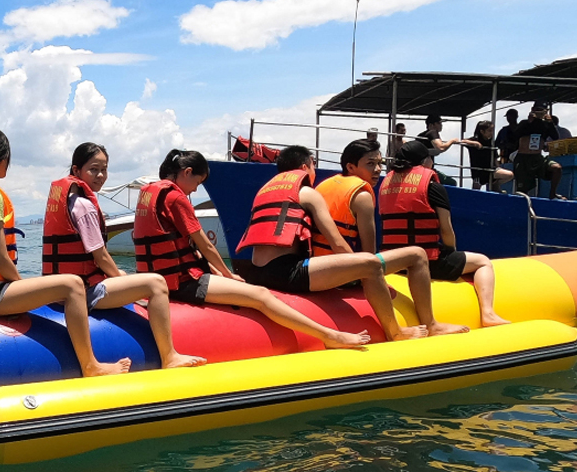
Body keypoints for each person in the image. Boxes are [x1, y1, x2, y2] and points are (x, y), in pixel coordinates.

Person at [133, 149, 370, 350]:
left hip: (159, 281)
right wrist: (228, 275)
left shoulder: (148, 193)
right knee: (261, 296)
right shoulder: (175, 198)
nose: (194, 191)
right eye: (197, 182)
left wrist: (213, 270)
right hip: (183, 283)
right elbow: (206, 244)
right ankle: (329, 335)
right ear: (187, 172)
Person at [0, 127, 131, 376]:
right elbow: (1, 259)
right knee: (72, 284)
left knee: (56, 284)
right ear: (1, 159)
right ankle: (91, 366)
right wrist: (24, 288)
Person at [235, 145, 426, 342]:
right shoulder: (307, 193)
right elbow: (337, 243)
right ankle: (395, 332)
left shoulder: (266, 190)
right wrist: (361, 271)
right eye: (313, 166)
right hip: (287, 272)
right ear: (305, 167)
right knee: (371, 264)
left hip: (256, 272)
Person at [43, 142, 206, 369]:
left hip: (60, 292)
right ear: (77, 170)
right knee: (156, 283)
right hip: (83, 294)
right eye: (94, 169)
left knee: (123, 275)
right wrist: (119, 277)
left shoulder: (69, 200)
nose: (101, 175)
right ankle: (169, 356)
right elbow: (100, 256)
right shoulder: (83, 206)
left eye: (104, 169)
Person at [316, 139, 468, 336]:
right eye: (370, 164)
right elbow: (369, 255)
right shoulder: (362, 195)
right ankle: (430, 324)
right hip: (343, 275)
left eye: (379, 163)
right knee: (417, 254)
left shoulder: (324, 186)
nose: (378, 169)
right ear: (351, 167)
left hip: (318, 268)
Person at [379, 141, 509, 327]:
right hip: (426, 263)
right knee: (483, 261)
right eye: (430, 158)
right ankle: (488, 313)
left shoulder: (386, 184)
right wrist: (451, 252)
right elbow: (446, 229)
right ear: (425, 161)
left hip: (394, 262)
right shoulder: (432, 187)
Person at [513, 102, 564, 199]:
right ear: (533, 110)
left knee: (557, 168)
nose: (539, 113)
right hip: (523, 158)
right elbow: (515, 135)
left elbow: (555, 137)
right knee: (522, 190)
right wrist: (530, 121)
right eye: (537, 110)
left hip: (537, 157)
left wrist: (550, 123)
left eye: (542, 111)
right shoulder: (524, 123)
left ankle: (552, 193)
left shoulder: (546, 125)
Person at [416, 113, 479, 187]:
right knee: (452, 182)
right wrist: (452, 141)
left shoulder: (420, 136)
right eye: (438, 123)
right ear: (431, 125)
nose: (441, 125)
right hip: (427, 170)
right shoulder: (432, 132)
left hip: (418, 169)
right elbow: (441, 147)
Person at [464, 120, 513, 191]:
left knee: (510, 175)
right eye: (489, 131)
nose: (491, 133)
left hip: (491, 170)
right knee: (475, 191)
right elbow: (462, 141)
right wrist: (475, 143)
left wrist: (498, 167)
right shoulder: (475, 140)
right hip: (479, 172)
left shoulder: (491, 142)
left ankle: (495, 185)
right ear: (482, 131)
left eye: (492, 131)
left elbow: (495, 158)